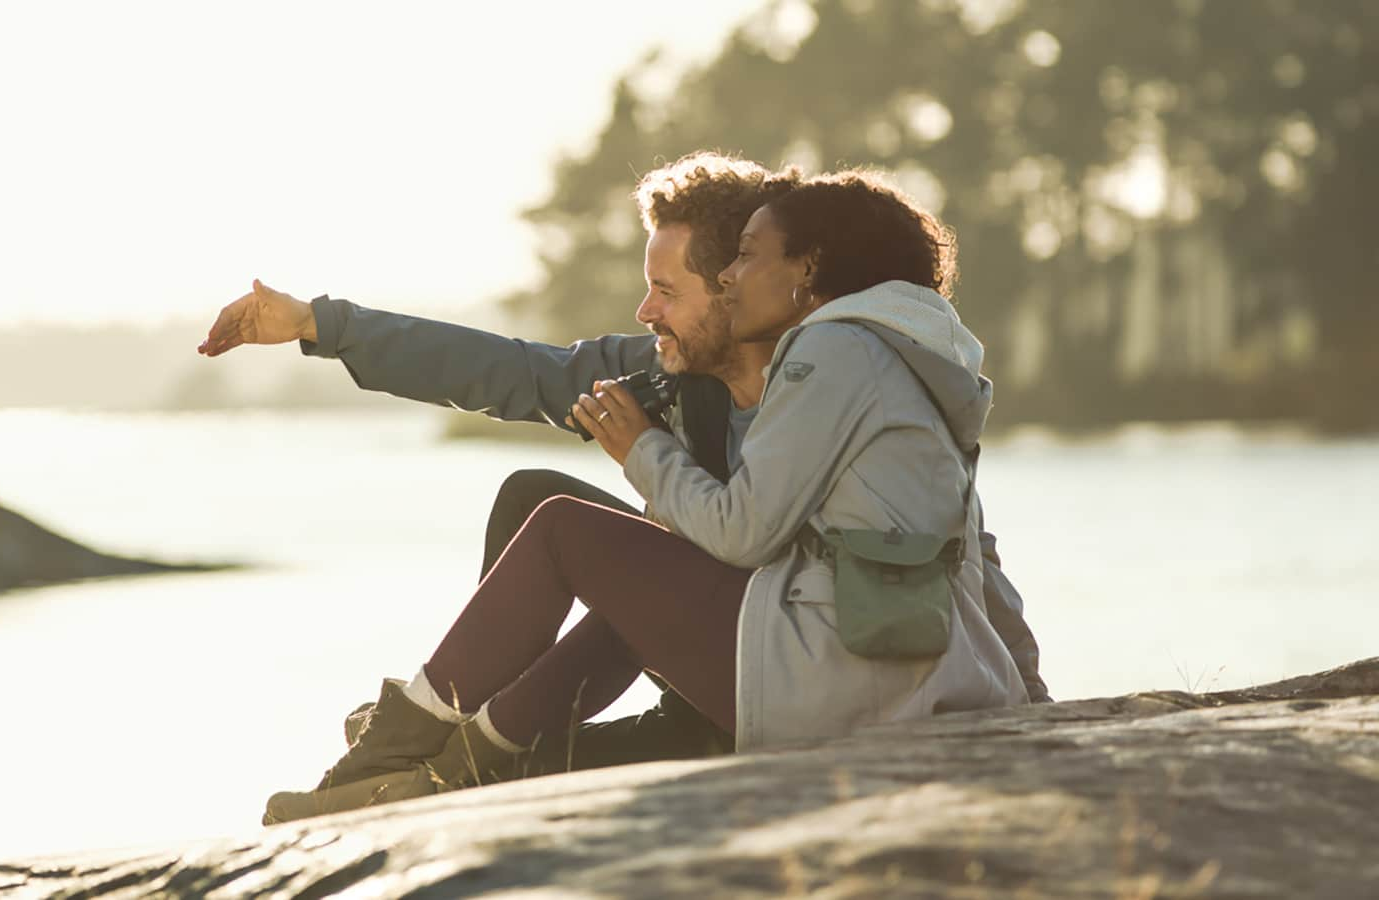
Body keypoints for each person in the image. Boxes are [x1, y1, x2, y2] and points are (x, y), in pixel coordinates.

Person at [197, 152, 1048, 777]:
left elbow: (961, 546)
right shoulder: (665, 372)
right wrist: (321, 324)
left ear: (734, 287)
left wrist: (1029, 699)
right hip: (724, 655)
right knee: (536, 497)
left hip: (789, 675)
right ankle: (490, 731)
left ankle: (451, 742)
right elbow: (506, 369)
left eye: (668, 291)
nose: (647, 312)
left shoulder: (838, 375)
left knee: (580, 531)